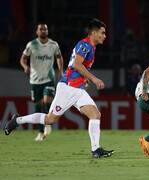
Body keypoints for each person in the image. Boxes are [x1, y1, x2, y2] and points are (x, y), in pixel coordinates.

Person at [4, 18, 114, 158]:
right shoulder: (85, 45)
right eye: (102, 33)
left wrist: (84, 79)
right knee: (50, 120)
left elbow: (78, 67)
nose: (105, 36)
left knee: (95, 115)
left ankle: (96, 150)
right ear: (93, 32)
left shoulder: (91, 47)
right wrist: (94, 78)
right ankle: (17, 120)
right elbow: (76, 65)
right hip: (68, 88)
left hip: (77, 89)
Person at [20, 23, 64, 141]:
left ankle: (48, 124)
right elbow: (23, 58)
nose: (43, 31)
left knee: (47, 100)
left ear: (47, 31)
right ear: (37, 32)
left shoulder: (53, 44)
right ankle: (40, 131)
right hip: (35, 80)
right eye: (41, 29)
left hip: (49, 78)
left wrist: (60, 70)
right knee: (39, 106)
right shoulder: (32, 45)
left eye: (45, 29)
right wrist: (25, 67)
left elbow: (59, 57)